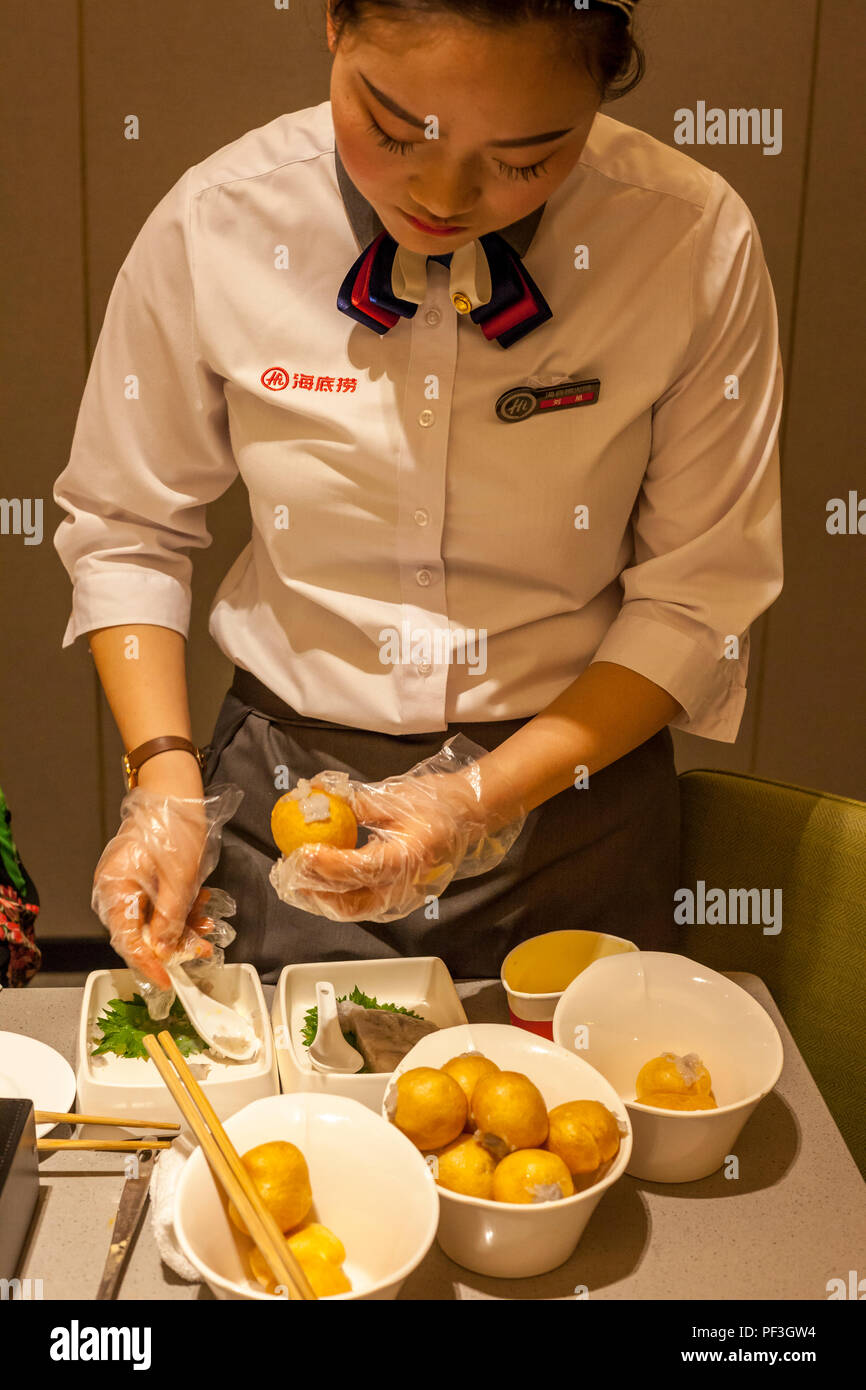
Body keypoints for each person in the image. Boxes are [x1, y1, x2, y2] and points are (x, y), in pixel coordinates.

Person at [53, 0, 783, 1007]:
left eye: (526, 158)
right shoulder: (221, 218)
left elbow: (697, 597)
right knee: (291, 1141)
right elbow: (127, 526)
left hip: (570, 800)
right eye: (394, 133)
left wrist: (481, 797)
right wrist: (165, 781)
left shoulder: (685, 238)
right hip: (283, 795)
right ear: (333, 27)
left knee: (567, 1132)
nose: (443, 195)